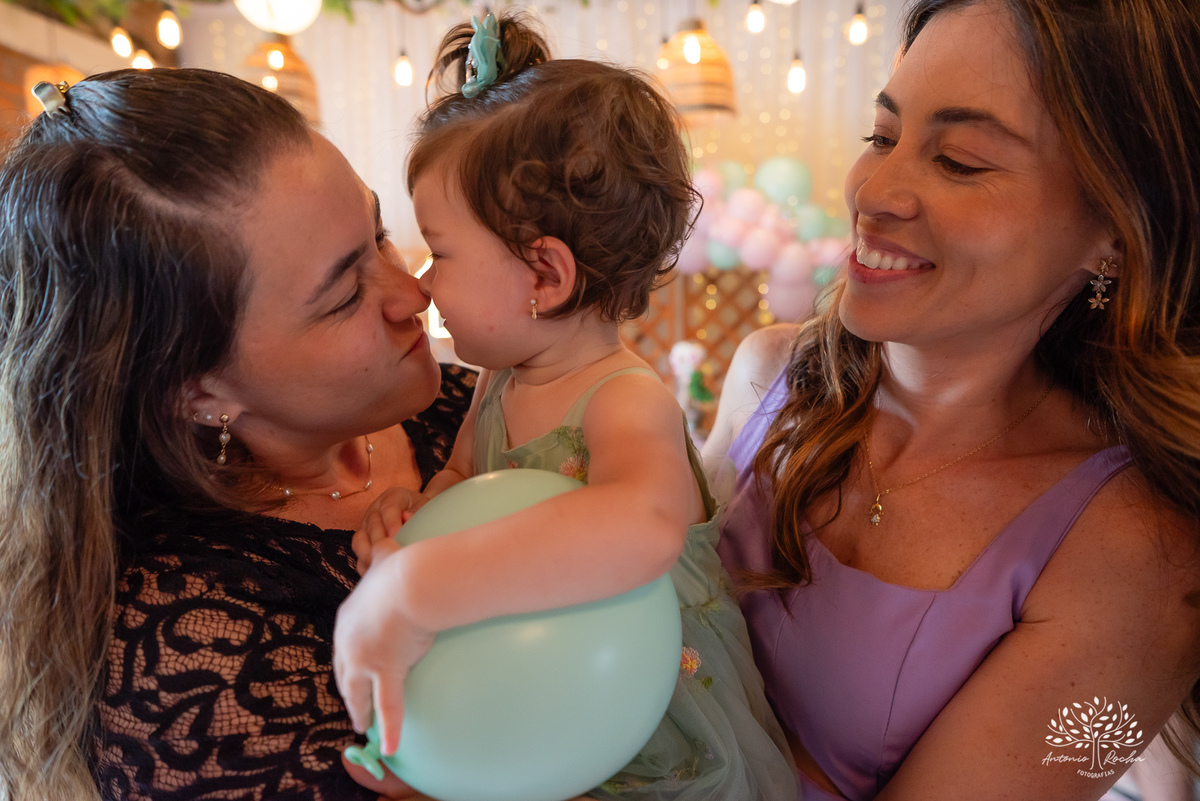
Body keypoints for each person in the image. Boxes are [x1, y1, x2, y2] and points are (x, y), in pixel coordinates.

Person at [705, 0, 1200, 799]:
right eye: (881, 136)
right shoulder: (772, 374)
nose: (876, 191)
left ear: (1115, 227)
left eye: (960, 160)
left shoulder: (1141, 561)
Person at [333, 13, 798, 801]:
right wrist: (414, 517)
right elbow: (463, 481)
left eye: (439, 251)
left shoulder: (626, 400)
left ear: (543, 276)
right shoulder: (497, 383)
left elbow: (640, 528)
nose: (421, 281)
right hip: (542, 705)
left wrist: (414, 588)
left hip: (659, 737)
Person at [0, 68, 475, 801]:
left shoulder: (463, 410)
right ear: (197, 390)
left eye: (378, 230)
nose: (413, 293)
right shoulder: (189, 663)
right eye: (346, 294)